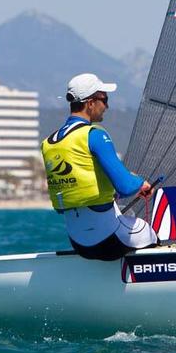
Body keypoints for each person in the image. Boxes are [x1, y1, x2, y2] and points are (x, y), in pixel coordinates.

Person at [42, 73, 158, 261]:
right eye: (104, 100)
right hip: (108, 241)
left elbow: (84, 185)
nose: (107, 106)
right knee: (149, 232)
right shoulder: (94, 135)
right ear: (90, 103)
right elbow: (126, 186)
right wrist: (141, 183)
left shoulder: (49, 143)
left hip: (79, 244)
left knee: (121, 219)